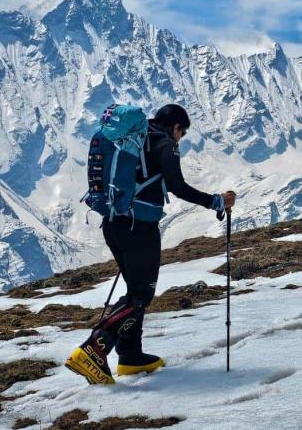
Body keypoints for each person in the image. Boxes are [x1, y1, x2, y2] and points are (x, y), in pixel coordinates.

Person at [66, 104, 236, 384]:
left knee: (135, 291)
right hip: (138, 228)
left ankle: (130, 356)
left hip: (113, 223)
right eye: (183, 133)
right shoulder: (165, 143)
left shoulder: (133, 137)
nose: (180, 139)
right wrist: (217, 201)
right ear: (177, 127)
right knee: (142, 295)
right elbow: (177, 185)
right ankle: (93, 349)